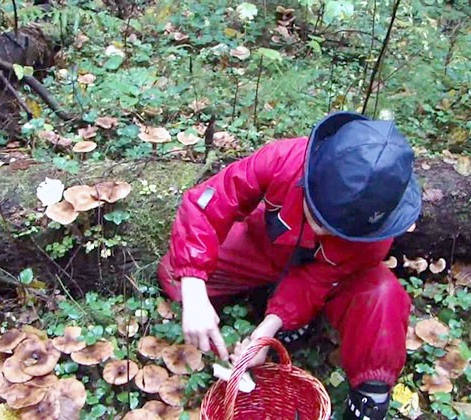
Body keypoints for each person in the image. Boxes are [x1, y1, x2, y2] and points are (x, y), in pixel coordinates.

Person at [158, 111, 421, 419]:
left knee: (382, 293)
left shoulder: (375, 236)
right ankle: (262, 298)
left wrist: (269, 328)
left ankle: (370, 395)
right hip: (265, 248)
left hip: (330, 279)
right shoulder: (284, 159)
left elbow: (316, 280)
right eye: (319, 215)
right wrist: (193, 288)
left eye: (337, 229)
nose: (323, 230)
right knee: (174, 275)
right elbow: (207, 205)